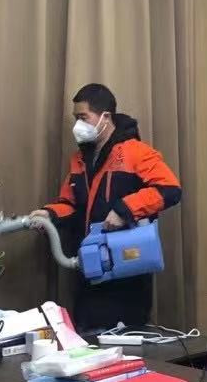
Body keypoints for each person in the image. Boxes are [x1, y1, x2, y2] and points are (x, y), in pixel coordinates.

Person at [33, 83, 182, 332]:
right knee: (87, 337)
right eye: (75, 118)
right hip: (89, 267)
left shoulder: (136, 153)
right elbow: (70, 204)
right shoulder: (79, 160)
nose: (77, 125)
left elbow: (170, 189)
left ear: (105, 117)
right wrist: (49, 215)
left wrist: (125, 210)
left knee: (125, 340)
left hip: (127, 271)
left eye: (83, 117)